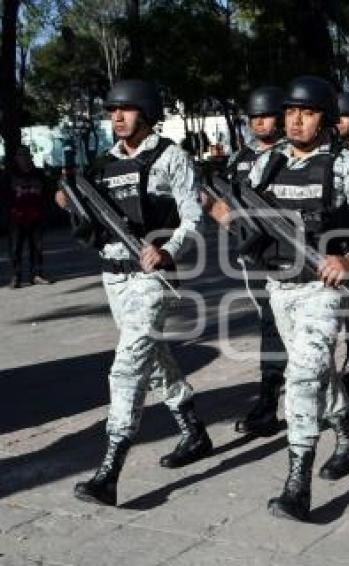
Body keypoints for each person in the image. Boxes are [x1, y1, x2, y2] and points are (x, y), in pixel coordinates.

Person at [239, 76, 349, 522]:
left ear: (325, 119)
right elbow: (248, 217)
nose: (296, 120)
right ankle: (347, 437)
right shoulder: (266, 165)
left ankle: (297, 483)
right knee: (320, 373)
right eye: (290, 112)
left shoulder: (345, 166)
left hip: (320, 290)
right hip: (278, 287)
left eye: (306, 113)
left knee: (302, 380)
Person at [55, 79, 212, 506]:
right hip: (113, 276)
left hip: (153, 279)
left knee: (127, 366)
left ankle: (109, 469)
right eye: (111, 111)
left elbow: (194, 218)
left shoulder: (170, 157)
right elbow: (85, 212)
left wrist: (167, 250)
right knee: (154, 357)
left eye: (125, 110)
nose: (117, 117)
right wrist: (67, 201)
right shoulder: (102, 163)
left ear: (145, 112)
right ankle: (193, 431)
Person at [206, 85, 289, 437]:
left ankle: (279, 400)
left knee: (287, 328)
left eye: (265, 116)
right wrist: (217, 211)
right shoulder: (241, 157)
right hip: (251, 257)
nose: (258, 123)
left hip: (289, 257)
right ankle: (269, 399)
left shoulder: (293, 153)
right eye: (253, 118)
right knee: (270, 324)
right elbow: (220, 199)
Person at [2, 146, 53, 287]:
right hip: (16, 218)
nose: (24, 158)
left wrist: (46, 211)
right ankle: (16, 276)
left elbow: (47, 193)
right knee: (15, 248)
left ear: (30, 157)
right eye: (20, 156)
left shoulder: (39, 174)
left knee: (37, 247)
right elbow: (4, 197)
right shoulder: (9, 175)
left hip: (36, 216)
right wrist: (9, 212)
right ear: (16, 159)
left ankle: (36, 275)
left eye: (26, 155)